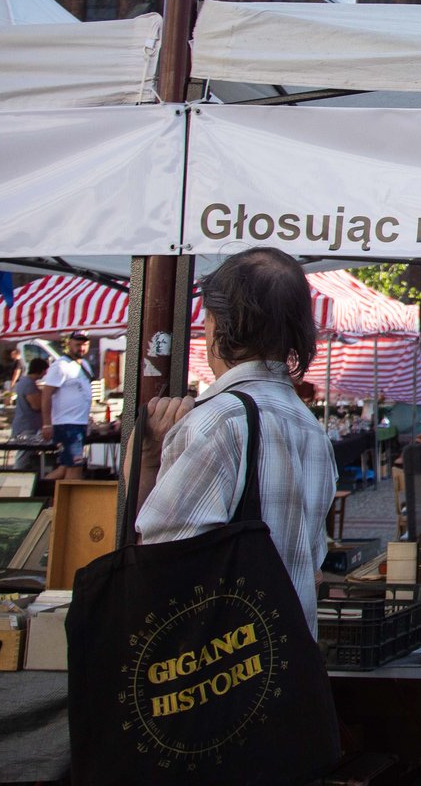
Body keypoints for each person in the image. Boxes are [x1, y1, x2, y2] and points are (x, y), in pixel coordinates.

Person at [136, 247, 337, 634]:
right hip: (286, 655)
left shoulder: (216, 421)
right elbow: (311, 565)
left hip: (218, 661)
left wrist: (145, 462)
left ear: (218, 323)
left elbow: (158, 566)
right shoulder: (310, 429)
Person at [39, 331, 95, 481]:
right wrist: (46, 424)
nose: (81, 348)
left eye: (84, 344)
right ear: (69, 344)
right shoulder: (61, 365)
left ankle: (36, 489)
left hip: (79, 422)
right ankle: (70, 495)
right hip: (67, 424)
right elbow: (46, 395)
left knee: (66, 467)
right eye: (78, 344)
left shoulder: (84, 365)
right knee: (75, 468)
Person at [10, 357, 49, 471]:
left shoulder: (25, 382)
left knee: (29, 457)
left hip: (28, 425)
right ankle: (16, 476)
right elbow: (36, 405)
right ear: (42, 370)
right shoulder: (28, 384)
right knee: (23, 457)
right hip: (27, 427)